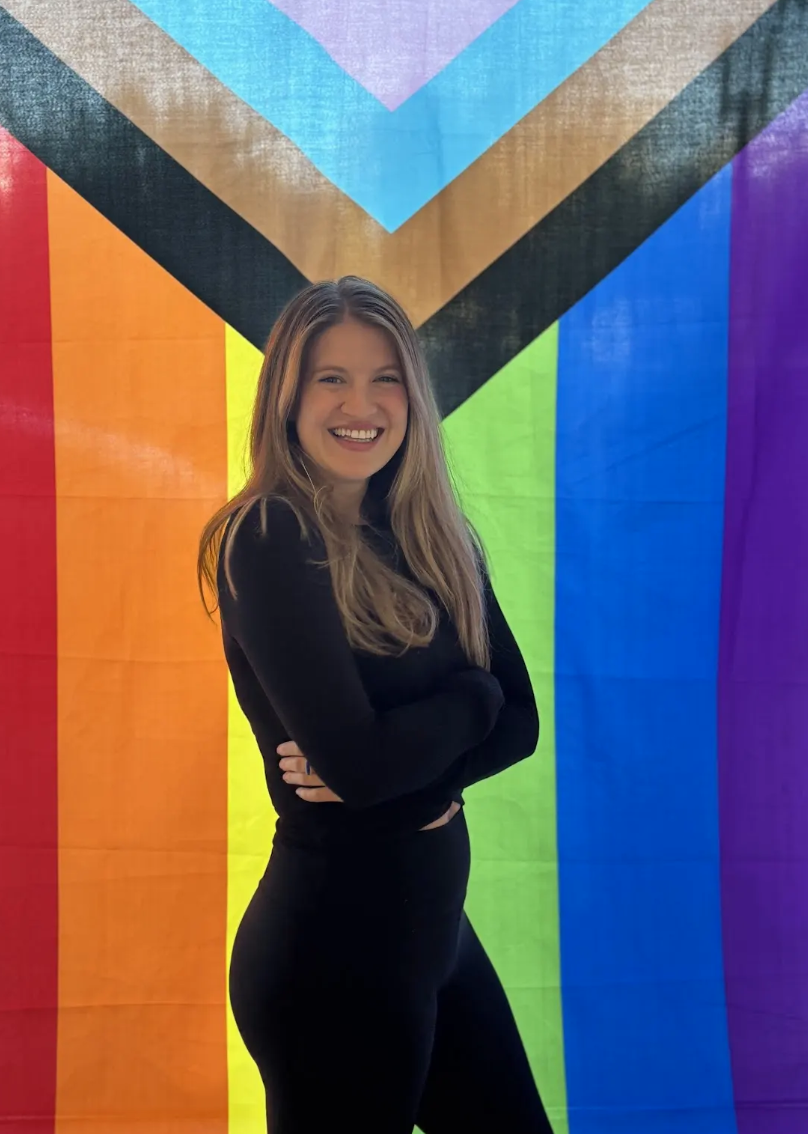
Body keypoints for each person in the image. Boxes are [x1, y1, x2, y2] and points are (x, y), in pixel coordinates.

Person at [197, 276, 553, 1134]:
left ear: (413, 397)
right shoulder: (268, 538)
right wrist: (467, 702)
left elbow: (523, 725)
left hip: (434, 941)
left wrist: (412, 761)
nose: (361, 404)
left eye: (385, 377)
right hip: (333, 956)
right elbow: (364, 768)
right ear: (287, 395)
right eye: (331, 378)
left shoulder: (433, 533)